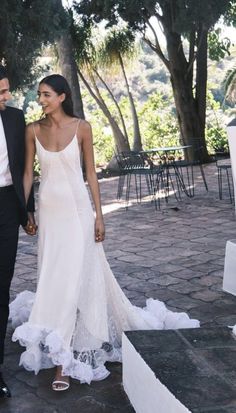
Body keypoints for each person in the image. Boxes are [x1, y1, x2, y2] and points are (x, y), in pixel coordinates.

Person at [10, 74, 199, 392]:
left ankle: (63, 362)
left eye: (45, 95)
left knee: (73, 279)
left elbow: (91, 175)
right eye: (39, 95)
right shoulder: (32, 130)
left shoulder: (82, 128)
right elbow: (28, 173)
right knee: (52, 276)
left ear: (62, 96)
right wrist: (24, 212)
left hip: (78, 213)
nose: (40, 100)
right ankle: (62, 340)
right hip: (49, 213)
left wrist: (99, 217)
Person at [0, 65, 36, 399]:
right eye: (1, 92)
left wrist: (28, 210)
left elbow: (25, 166)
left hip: (7, 206)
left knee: (2, 283)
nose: (7, 96)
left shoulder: (14, 118)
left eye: (7, 89)